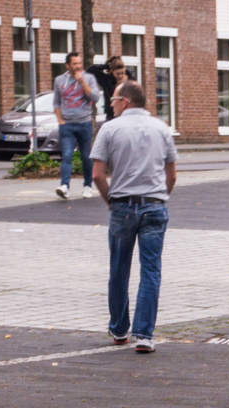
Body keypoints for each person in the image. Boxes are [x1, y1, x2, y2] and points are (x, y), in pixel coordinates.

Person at [90, 81, 177, 354]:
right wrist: (161, 198)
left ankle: (118, 330)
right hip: (154, 206)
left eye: (113, 100)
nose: (111, 105)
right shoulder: (162, 129)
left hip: (122, 207)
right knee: (151, 270)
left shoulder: (109, 129)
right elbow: (171, 174)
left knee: (119, 269)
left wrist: (111, 202)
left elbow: (96, 174)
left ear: (125, 101)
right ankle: (144, 335)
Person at [52, 51, 101, 199]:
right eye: (75, 64)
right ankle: (64, 186)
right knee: (67, 155)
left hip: (84, 123)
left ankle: (87, 186)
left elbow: (95, 97)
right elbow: (56, 102)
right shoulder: (60, 80)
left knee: (86, 156)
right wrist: (60, 121)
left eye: (79, 63)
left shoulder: (89, 78)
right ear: (68, 65)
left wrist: (82, 82)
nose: (78, 66)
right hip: (67, 125)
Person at [86, 56, 124, 126]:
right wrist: (106, 66)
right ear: (112, 71)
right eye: (118, 74)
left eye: (122, 73)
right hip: (110, 115)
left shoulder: (128, 79)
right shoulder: (107, 80)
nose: (120, 76)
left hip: (124, 115)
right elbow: (91, 70)